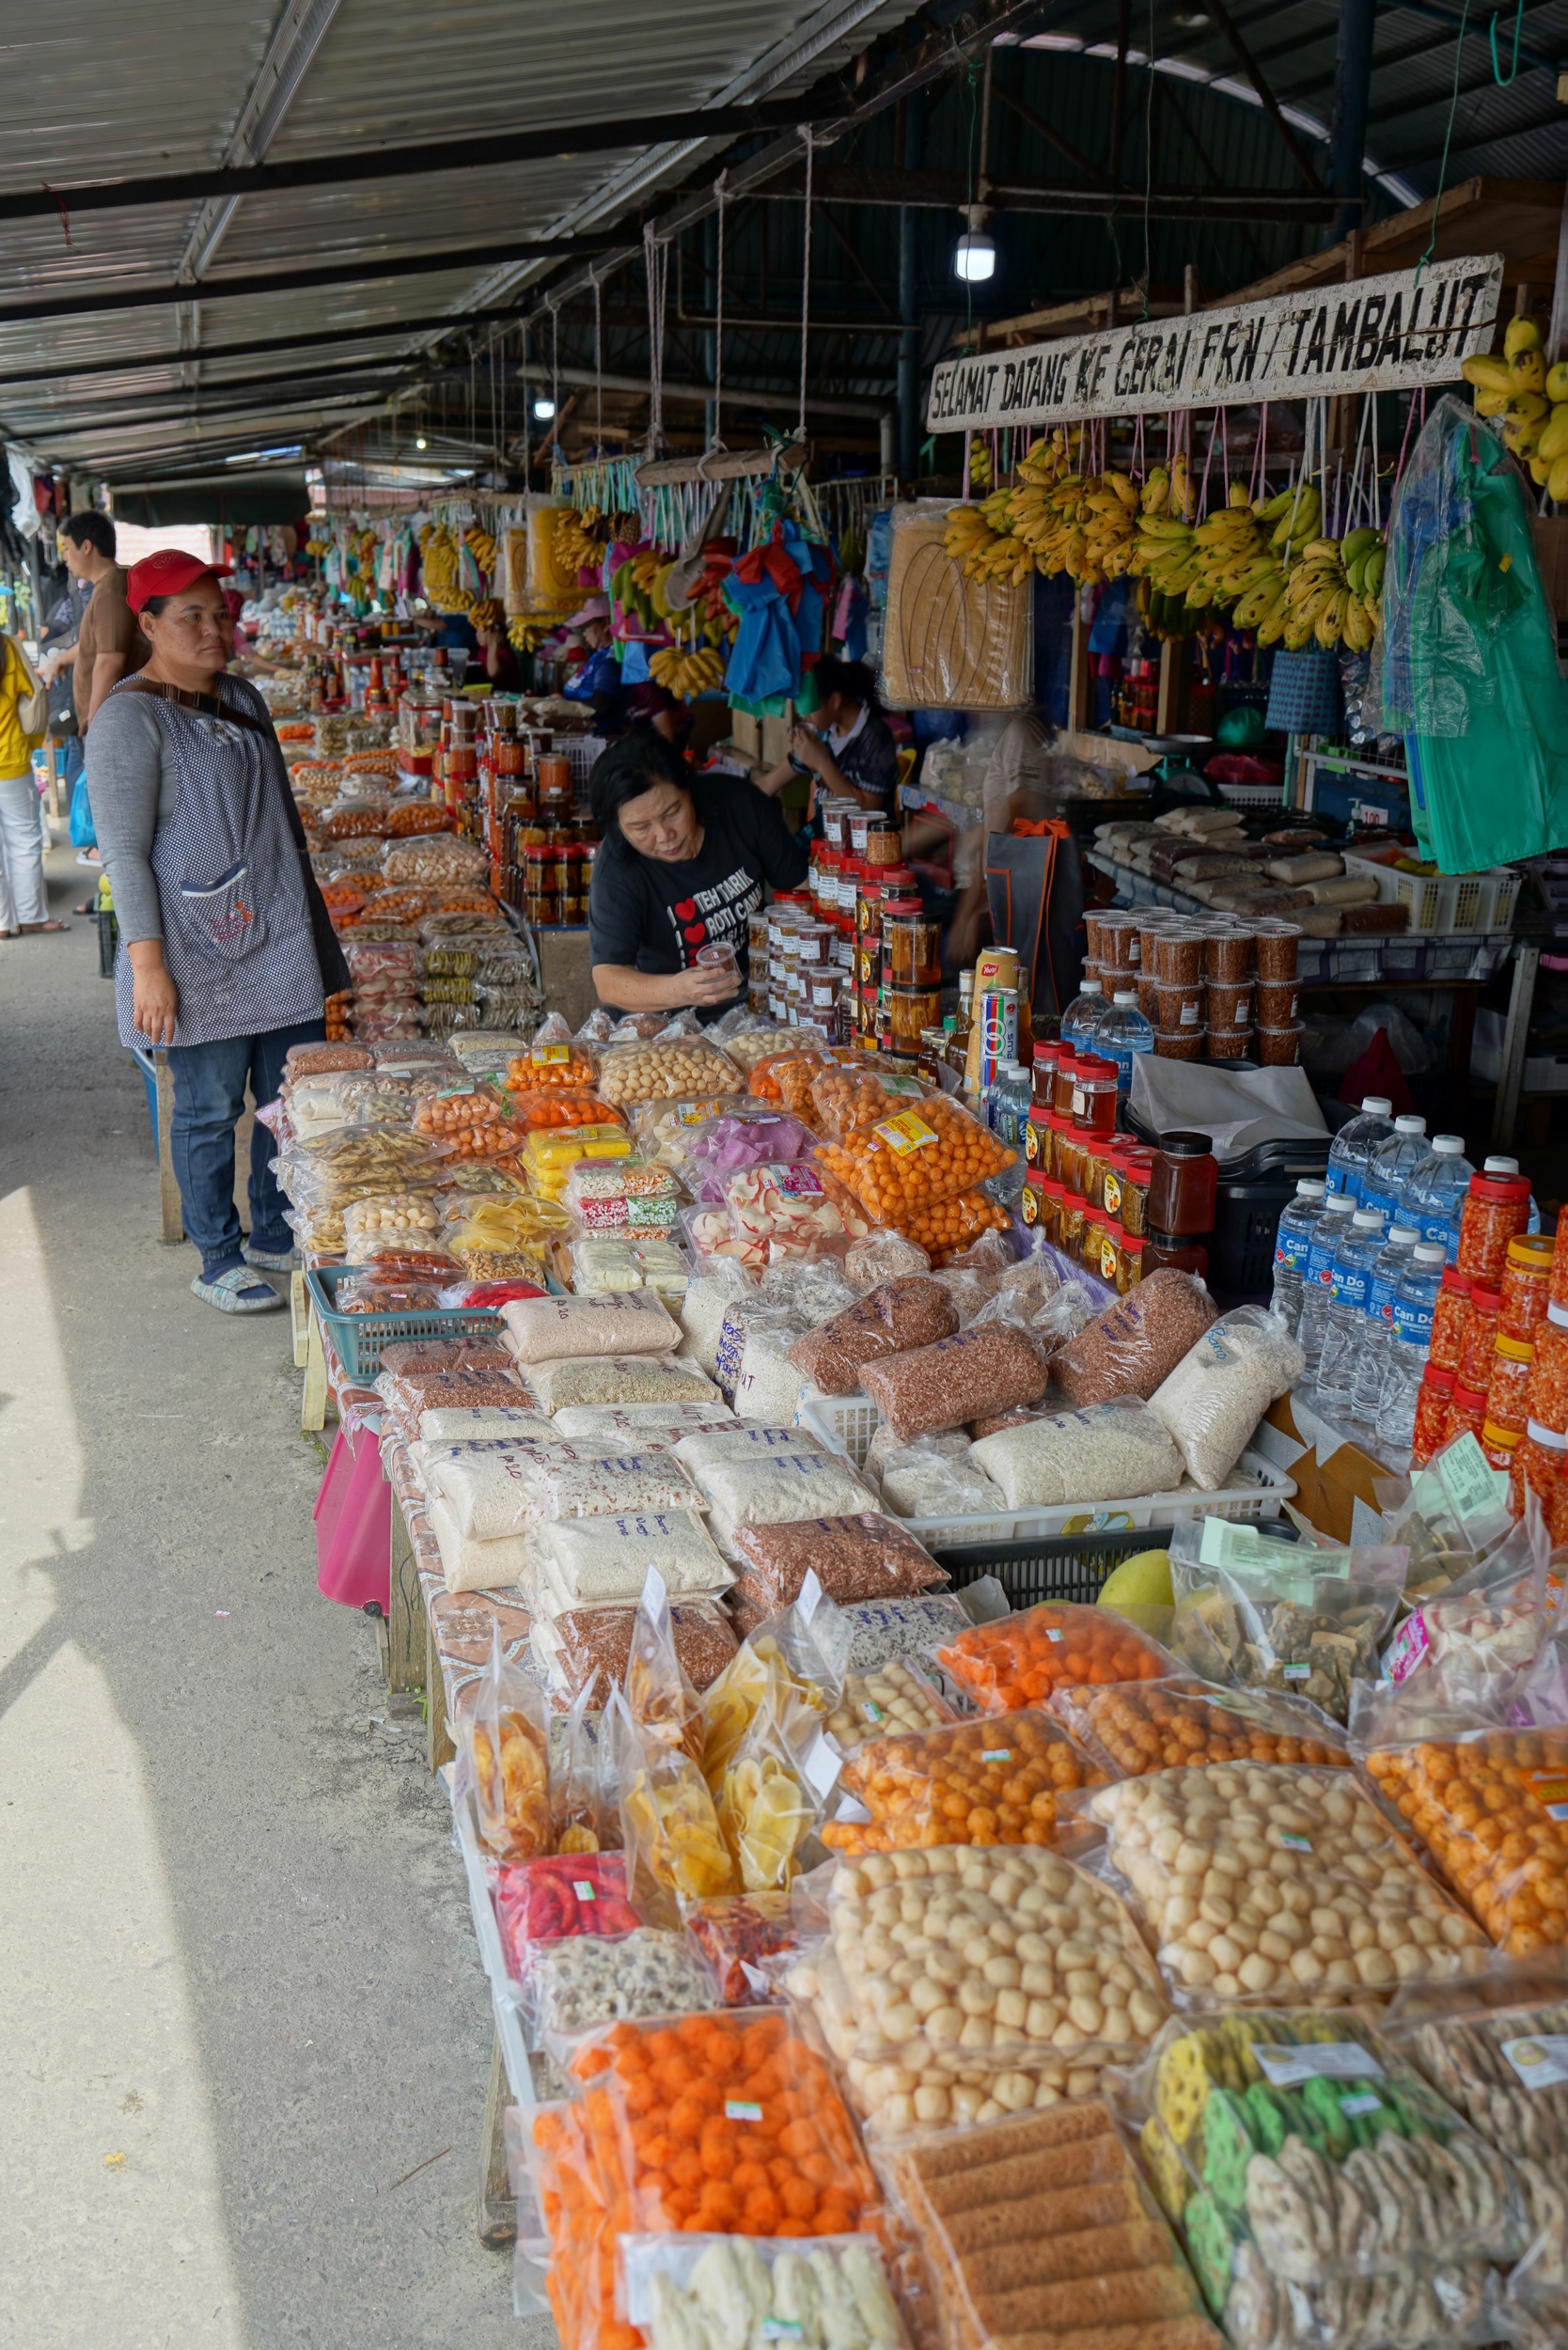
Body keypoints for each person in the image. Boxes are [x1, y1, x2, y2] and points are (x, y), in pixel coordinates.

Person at [88, 549, 352, 1316]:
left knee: (287, 1101)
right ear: (148, 625)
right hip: (192, 953)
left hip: (278, 938)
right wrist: (149, 967)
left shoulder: (242, 696)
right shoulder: (128, 720)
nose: (213, 629)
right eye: (190, 616)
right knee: (207, 1110)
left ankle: (275, 1230)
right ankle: (217, 1253)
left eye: (219, 613)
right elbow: (126, 858)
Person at [587, 730, 808, 1019]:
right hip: (667, 1024)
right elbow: (608, 980)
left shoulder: (739, 805)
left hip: (755, 1004)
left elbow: (798, 890)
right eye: (641, 828)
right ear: (618, 826)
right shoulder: (617, 868)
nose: (664, 836)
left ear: (688, 787)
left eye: (672, 812)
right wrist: (680, 990)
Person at [753, 656, 899, 816]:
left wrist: (821, 762)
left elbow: (866, 810)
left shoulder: (876, 738)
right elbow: (768, 784)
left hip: (863, 839)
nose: (803, 715)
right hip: (823, 834)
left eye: (808, 706)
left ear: (834, 701)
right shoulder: (825, 733)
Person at [0, 628, 65, 936]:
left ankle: (1, 923)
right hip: (10, 757)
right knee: (24, 839)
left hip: (12, 760)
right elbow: (33, 692)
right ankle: (30, 916)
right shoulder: (8, 645)